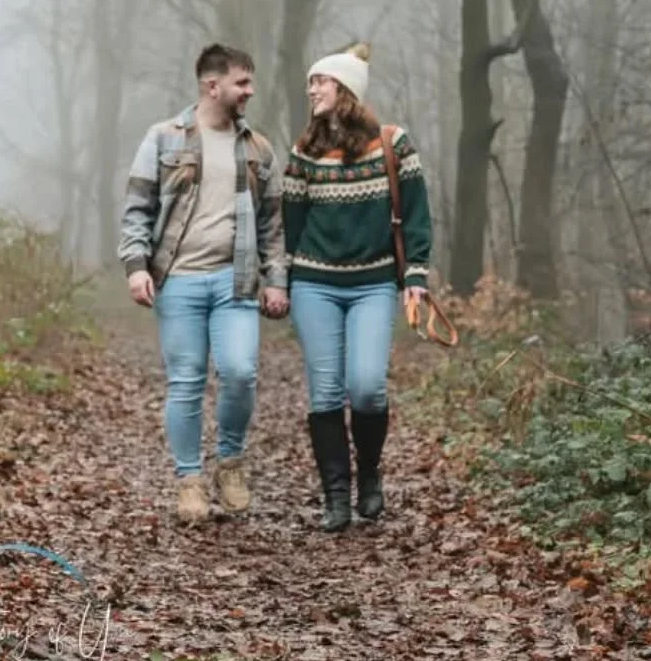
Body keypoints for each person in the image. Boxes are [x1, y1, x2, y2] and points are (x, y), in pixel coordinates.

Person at [118, 43, 288, 522]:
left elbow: (274, 224)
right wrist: (136, 266)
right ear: (212, 85)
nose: (250, 91)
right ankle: (189, 480)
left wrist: (276, 280)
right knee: (186, 381)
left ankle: (230, 462)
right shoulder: (163, 139)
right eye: (242, 82)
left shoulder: (258, 148)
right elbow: (137, 207)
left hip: (236, 282)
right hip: (179, 281)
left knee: (239, 372)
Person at [281, 41, 434, 531]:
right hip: (314, 284)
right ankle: (336, 497)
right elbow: (290, 224)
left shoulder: (393, 144)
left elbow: (416, 214)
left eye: (320, 81)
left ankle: (369, 472)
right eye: (310, 82)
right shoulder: (304, 152)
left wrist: (416, 276)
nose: (311, 90)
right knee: (325, 393)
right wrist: (280, 280)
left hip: (373, 284)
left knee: (366, 387)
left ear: (345, 88)